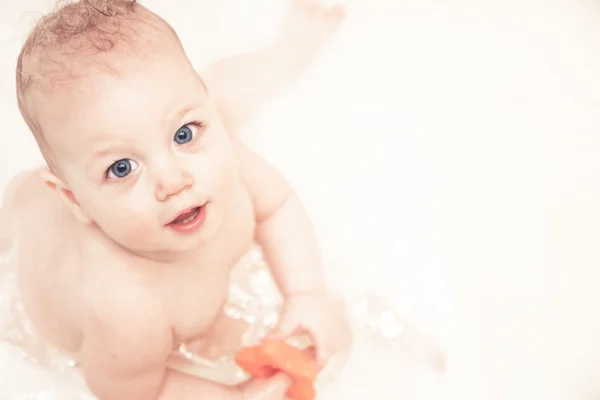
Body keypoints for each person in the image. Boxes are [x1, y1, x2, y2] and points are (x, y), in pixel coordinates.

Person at [0, 0, 351, 398]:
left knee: (230, 103)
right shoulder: (125, 306)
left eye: (184, 133)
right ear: (74, 199)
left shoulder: (225, 165)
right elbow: (134, 390)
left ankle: (286, 50)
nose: (172, 181)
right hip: (28, 231)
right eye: (121, 168)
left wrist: (304, 295)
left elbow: (277, 206)